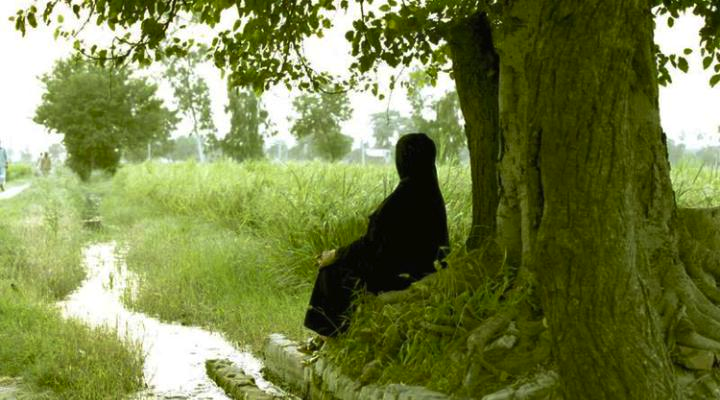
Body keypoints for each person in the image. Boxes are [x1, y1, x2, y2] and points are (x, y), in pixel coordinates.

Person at [304, 133, 450, 339]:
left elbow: (372, 244)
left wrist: (336, 254)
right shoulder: (430, 191)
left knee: (333, 272)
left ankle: (331, 336)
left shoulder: (405, 195)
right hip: (424, 267)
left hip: (402, 274)